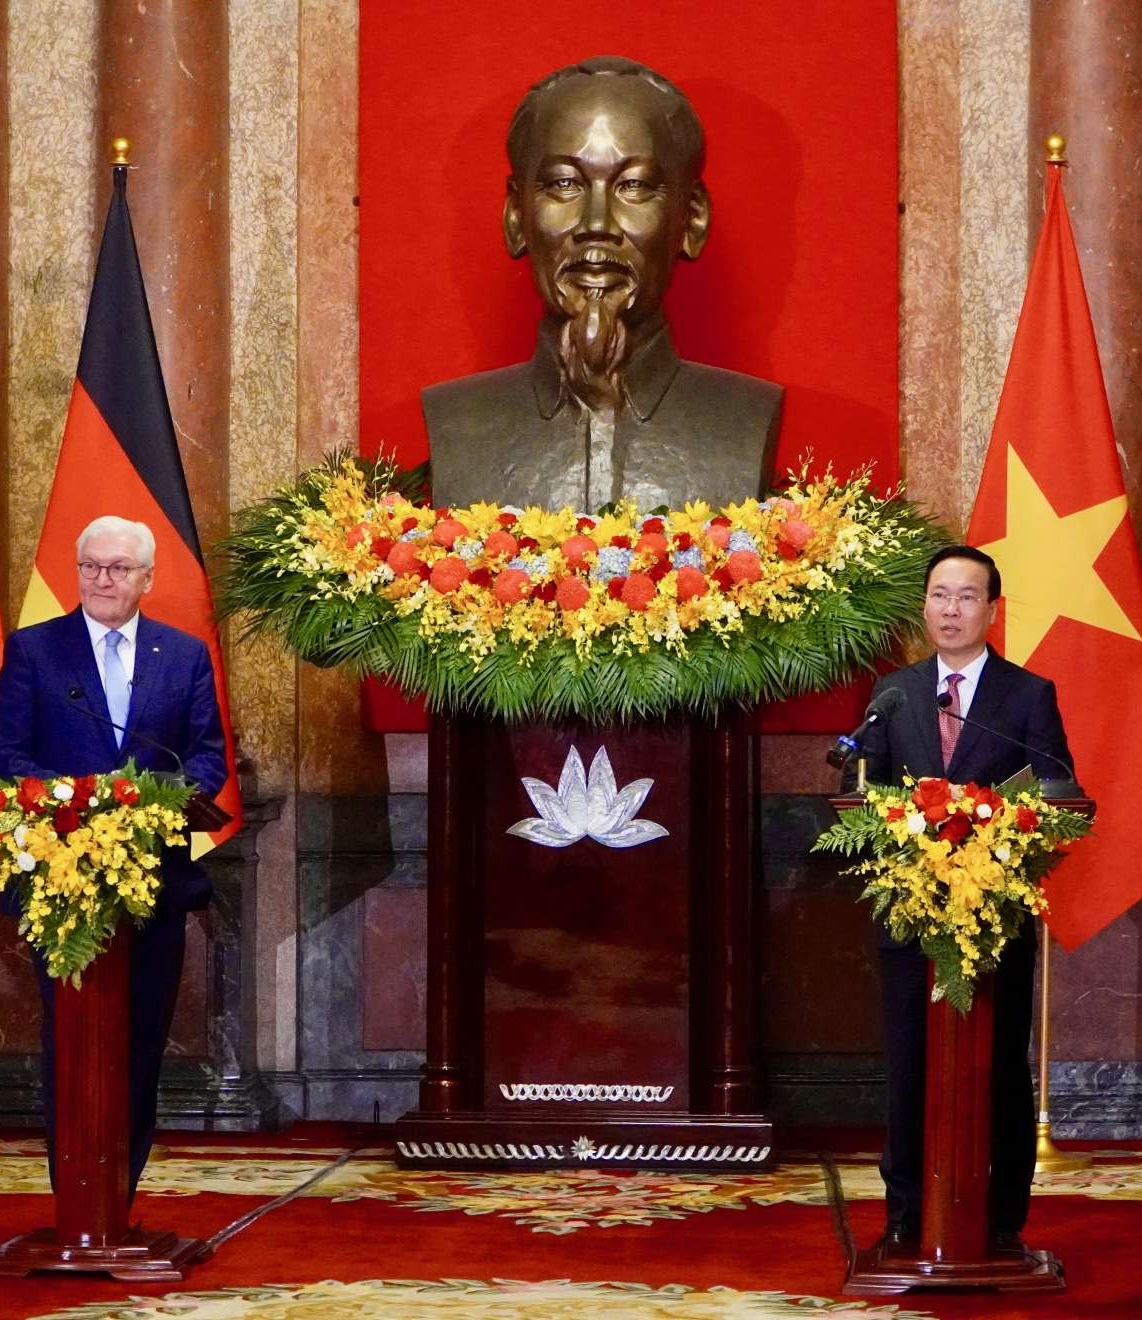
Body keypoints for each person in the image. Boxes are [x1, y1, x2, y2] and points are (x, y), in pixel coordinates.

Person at [0, 514, 228, 1199]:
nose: (102, 580)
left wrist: (154, 801)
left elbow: (206, 758)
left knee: (140, 1043)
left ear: (147, 579)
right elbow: (3, 760)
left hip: (155, 883)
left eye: (118, 568)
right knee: (74, 1045)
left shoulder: (183, 656)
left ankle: (119, 1194)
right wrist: (78, 802)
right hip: (65, 886)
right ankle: (76, 1199)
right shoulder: (34, 651)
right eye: (91, 566)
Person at [840, 544, 1074, 1257]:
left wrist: (997, 837)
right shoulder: (893, 693)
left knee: (999, 1068)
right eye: (940, 595)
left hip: (994, 920)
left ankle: (1002, 1219)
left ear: (991, 610)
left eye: (966, 597)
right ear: (925, 605)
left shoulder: (1028, 695)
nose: (951, 609)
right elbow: (862, 796)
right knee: (911, 1065)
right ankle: (907, 1214)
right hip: (913, 919)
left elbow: (1061, 794)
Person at [423, 55, 782, 510]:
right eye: (563, 184)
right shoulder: (456, 421)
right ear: (516, 217)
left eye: (633, 186)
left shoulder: (745, 418)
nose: (596, 223)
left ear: (692, 219)